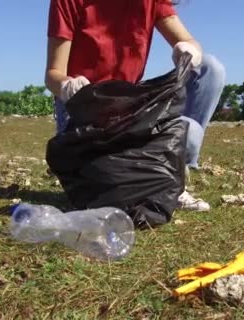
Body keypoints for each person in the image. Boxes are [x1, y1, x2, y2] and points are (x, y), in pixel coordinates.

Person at [45, 0, 225, 212]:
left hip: (128, 104)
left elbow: (188, 40)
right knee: (186, 134)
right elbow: (52, 75)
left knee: (209, 68)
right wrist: (68, 86)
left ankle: (175, 177)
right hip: (82, 106)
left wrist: (188, 48)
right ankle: (148, 175)